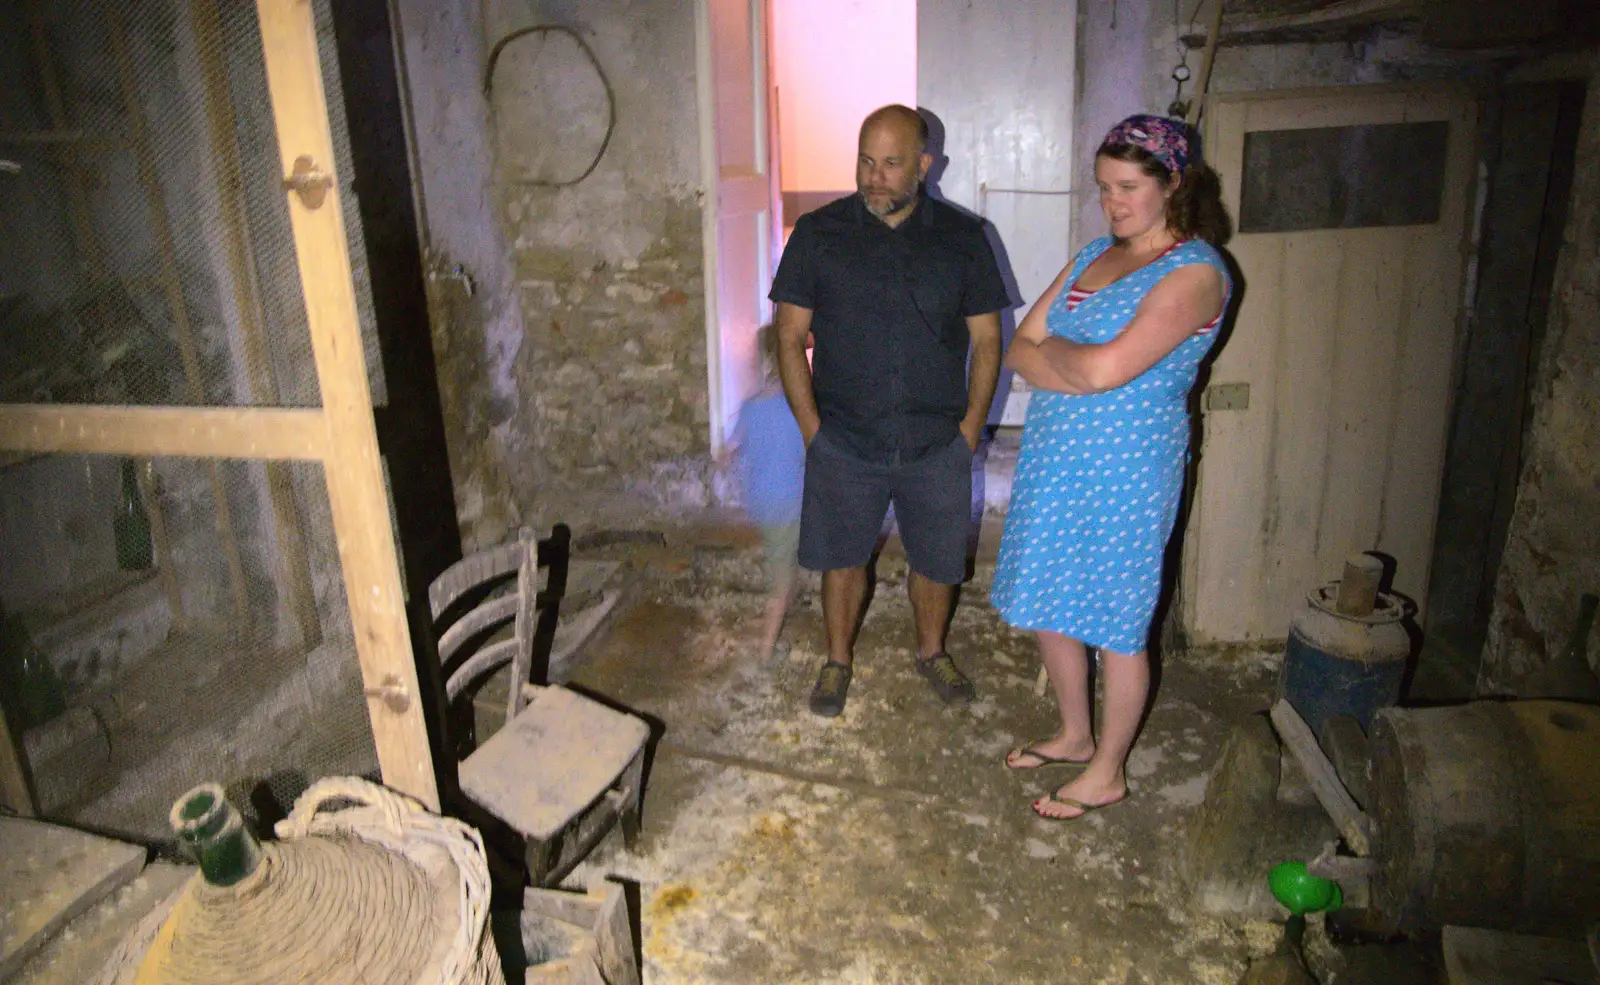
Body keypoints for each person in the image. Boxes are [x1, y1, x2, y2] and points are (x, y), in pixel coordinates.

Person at [990, 114, 1232, 820]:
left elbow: (1101, 369)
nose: (1113, 202)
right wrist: (1067, 365)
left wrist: (1057, 361)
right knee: (1048, 596)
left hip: (1128, 469)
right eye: (1103, 187)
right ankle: (1073, 732)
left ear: (1174, 183)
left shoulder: (1195, 272)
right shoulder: (1096, 251)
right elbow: (1018, 348)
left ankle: (1108, 769)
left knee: (1118, 620)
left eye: (1129, 186)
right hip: (1055, 455)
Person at [768, 104, 1010, 718]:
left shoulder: (964, 238)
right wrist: (812, 432)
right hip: (845, 436)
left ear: (924, 165)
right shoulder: (818, 235)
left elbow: (987, 341)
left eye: (891, 163)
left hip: (937, 439)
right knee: (842, 558)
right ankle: (837, 660)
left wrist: (969, 433)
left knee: (936, 561)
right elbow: (789, 336)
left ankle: (932, 652)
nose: (874, 177)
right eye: (865, 162)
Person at [729, 324, 806, 661]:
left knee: (784, 559)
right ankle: (765, 652)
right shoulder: (795, 409)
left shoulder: (750, 407)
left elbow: (736, 450)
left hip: (760, 502)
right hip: (786, 504)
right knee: (781, 584)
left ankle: (788, 589)